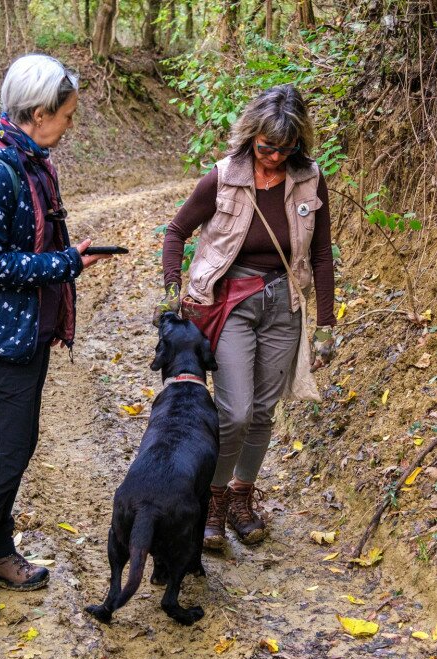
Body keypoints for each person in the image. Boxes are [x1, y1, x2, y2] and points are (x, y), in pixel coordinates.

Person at [0, 54, 112, 620]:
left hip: (25, 328)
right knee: (7, 455)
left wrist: (63, 260)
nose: (70, 126)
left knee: (13, 446)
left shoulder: (29, 157)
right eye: (66, 115)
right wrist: (63, 263)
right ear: (38, 113)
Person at [160, 84, 336, 550]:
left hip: (283, 303)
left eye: (287, 147)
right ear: (252, 135)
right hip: (229, 301)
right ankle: (212, 499)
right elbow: (177, 231)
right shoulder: (221, 177)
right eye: (267, 146)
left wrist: (326, 326)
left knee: (262, 411)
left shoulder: (311, 179)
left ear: (300, 142)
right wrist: (171, 291)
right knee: (234, 411)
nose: (276, 156)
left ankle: (241, 496)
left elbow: (321, 255)